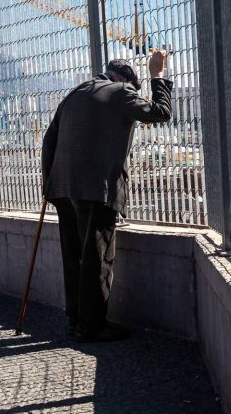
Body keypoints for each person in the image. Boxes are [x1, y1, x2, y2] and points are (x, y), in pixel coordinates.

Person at [41, 51, 172, 342]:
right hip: (96, 187)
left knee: (73, 255)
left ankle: (75, 319)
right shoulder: (121, 92)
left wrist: (48, 184)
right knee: (97, 259)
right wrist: (157, 76)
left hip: (62, 187)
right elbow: (161, 113)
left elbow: (49, 139)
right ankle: (92, 327)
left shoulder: (75, 93)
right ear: (125, 80)